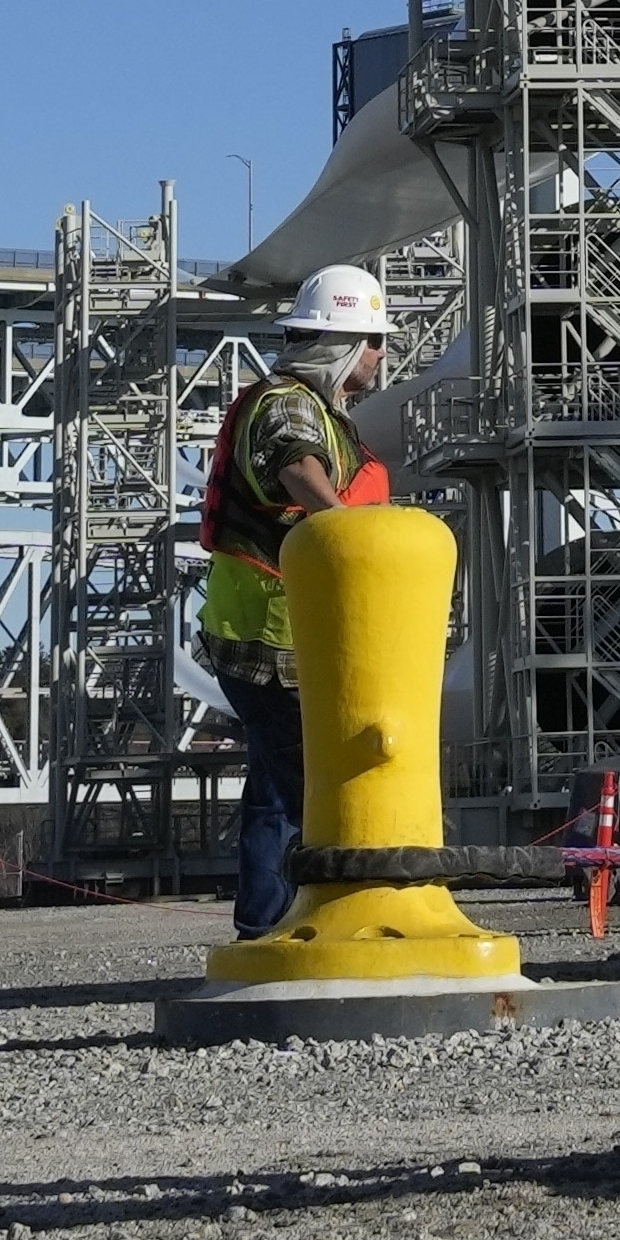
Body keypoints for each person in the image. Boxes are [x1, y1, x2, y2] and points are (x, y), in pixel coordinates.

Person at [194, 267, 394, 937]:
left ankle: (270, 921)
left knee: (279, 778)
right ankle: (276, 927)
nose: (381, 355)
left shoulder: (316, 408)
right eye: (373, 340)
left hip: (273, 630)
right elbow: (293, 461)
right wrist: (348, 533)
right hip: (268, 635)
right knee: (296, 782)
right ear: (341, 341)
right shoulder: (289, 403)